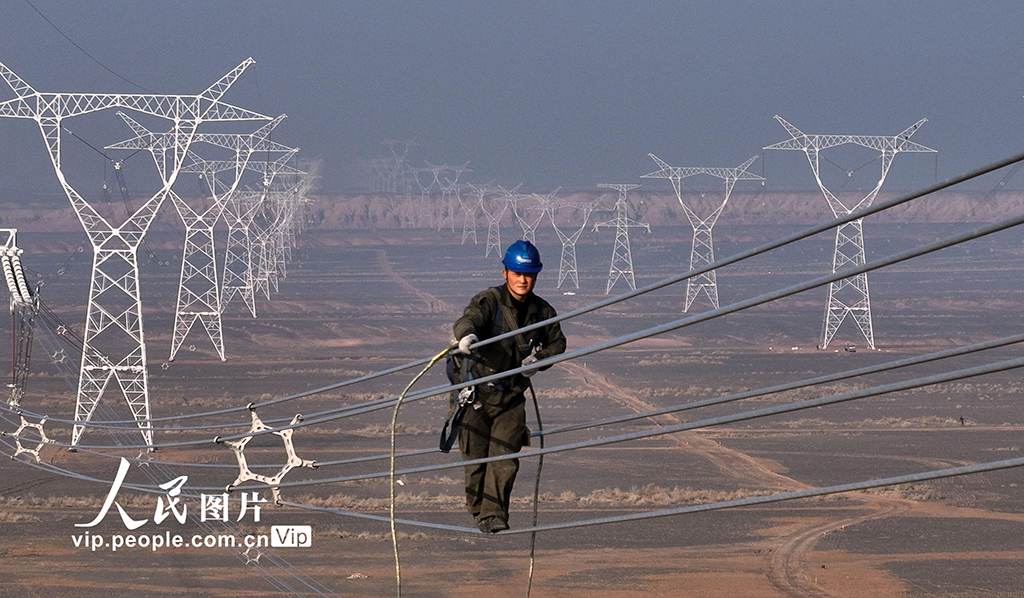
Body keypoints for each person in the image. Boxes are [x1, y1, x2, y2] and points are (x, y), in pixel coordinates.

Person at [452, 240, 567, 533]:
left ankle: (494, 515)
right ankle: (478, 510)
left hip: (511, 395)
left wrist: (539, 359)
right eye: (517, 273)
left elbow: (558, 342)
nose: (522, 280)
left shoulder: (542, 311)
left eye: (528, 274)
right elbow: (470, 319)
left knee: (504, 458)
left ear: (536, 275)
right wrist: (467, 336)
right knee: (476, 460)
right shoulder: (489, 301)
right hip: (477, 395)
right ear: (506, 273)